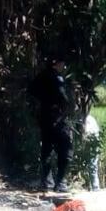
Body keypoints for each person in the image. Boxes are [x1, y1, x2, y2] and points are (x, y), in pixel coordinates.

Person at [28, 57, 73, 191]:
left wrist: (44, 101)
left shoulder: (41, 76)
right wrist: (68, 107)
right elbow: (63, 97)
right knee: (66, 149)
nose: (64, 66)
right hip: (58, 118)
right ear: (57, 64)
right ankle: (60, 182)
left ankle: (47, 182)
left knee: (47, 149)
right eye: (62, 63)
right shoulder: (57, 78)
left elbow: (32, 90)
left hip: (45, 116)